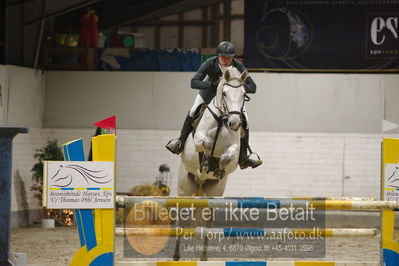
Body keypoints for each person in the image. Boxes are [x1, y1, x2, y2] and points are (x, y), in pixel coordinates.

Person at [165, 41, 262, 169]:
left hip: (230, 98)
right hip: (208, 94)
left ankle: (243, 157)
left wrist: (235, 87)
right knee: (193, 110)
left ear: (233, 57)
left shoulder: (238, 65)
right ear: (218, 56)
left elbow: (253, 87)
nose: (226, 60)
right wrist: (212, 85)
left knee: (246, 120)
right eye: (223, 57)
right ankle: (180, 142)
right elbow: (194, 82)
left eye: (229, 57)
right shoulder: (209, 63)